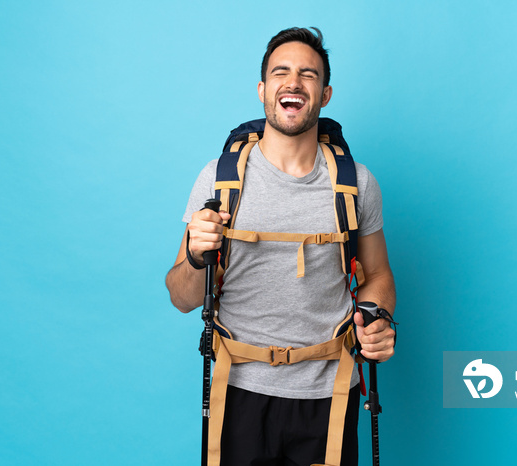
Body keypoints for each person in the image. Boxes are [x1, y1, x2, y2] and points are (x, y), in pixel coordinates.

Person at [166, 27, 396, 466]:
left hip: (331, 390)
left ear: (325, 94)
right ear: (263, 90)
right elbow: (181, 297)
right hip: (239, 391)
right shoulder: (217, 180)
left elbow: (379, 276)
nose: (293, 82)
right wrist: (197, 255)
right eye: (281, 72)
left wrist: (377, 317)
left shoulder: (357, 184)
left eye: (308, 74)